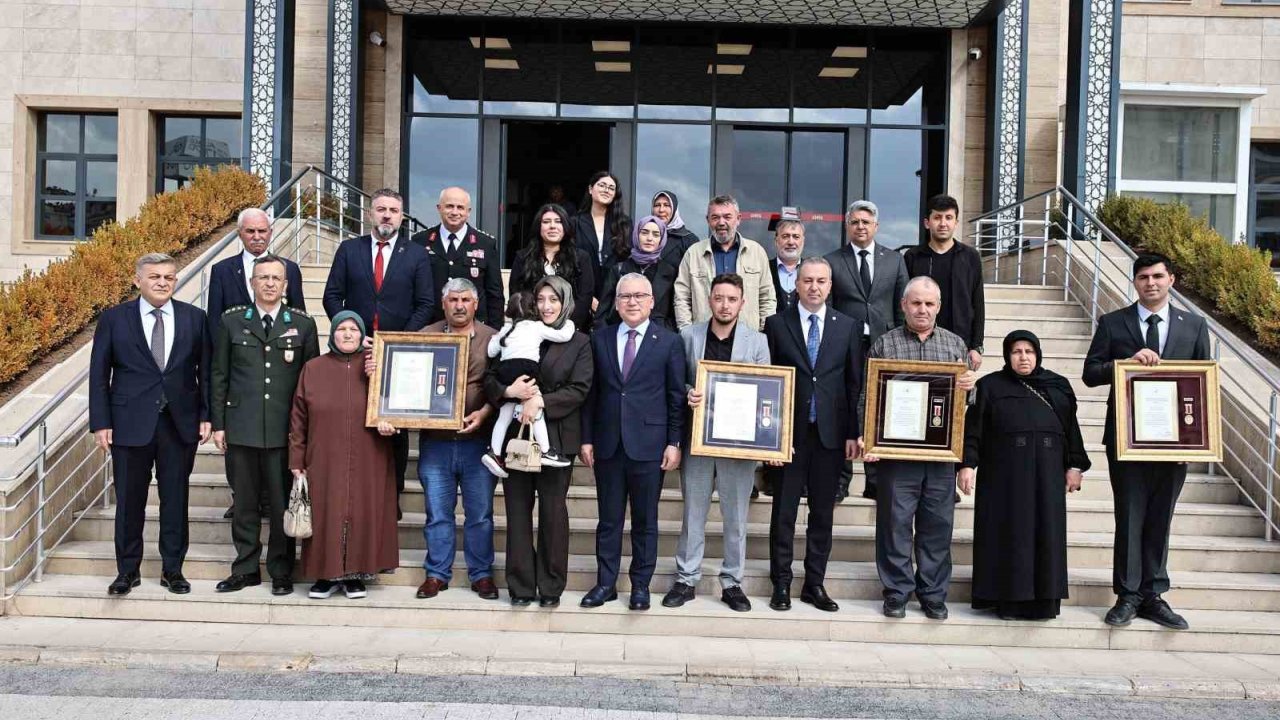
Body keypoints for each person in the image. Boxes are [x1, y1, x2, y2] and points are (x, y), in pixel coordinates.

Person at [1083, 252, 1210, 631]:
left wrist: (1197, 440)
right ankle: (1127, 594)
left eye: (1157, 276)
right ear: (1134, 282)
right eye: (1142, 277)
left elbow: (1201, 383)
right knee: (1130, 515)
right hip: (1126, 439)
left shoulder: (1194, 327)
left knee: (1160, 517)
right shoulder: (1113, 323)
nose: (1150, 283)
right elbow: (1090, 373)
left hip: (1175, 443)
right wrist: (1124, 364)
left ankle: (1154, 594)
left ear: (1172, 279)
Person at [89, 253, 212, 596]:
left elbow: (206, 372)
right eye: (155, 276)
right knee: (129, 502)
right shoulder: (115, 319)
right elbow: (99, 374)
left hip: (179, 424)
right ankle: (127, 571)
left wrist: (206, 414)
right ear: (138, 280)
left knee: (176, 500)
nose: (162, 282)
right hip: (128, 424)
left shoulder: (194, 318)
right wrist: (101, 422)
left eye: (169, 277)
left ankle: (172, 570)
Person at [861, 276, 977, 621]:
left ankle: (933, 594)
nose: (922, 309)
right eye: (916, 303)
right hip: (897, 455)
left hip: (940, 456)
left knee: (937, 526)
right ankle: (897, 592)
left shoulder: (955, 346)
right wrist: (869, 437)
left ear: (938, 307)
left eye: (929, 303)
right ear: (903, 306)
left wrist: (971, 386)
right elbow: (869, 396)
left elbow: (966, 404)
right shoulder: (885, 344)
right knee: (894, 524)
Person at [959, 330, 1089, 620]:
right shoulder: (990, 386)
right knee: (1007, 535)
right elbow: (974, 431)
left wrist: (1075, 466)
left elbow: (1071, 431)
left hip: (1048, 477)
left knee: (1045, 535)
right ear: (1007, 355)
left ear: (1038, 354)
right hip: (1003, 479)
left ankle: (1043, 603)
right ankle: (1006, 601)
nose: (1023, 357)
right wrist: (967, 465)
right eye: (1016, 351)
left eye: (1029, 351)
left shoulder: (1057, 386)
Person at [210, 254, 320, 596]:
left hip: (284, 432)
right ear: (251, 283)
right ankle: (245, 568)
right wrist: (219, 424)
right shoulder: (231, 322)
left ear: (286, 285)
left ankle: (281, 571)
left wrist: (307, 432)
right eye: (263, 278)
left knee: (280, 503)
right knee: (244, 504)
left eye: (276, 278)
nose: (270, 283)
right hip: (241, 427)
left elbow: (311, 383)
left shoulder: (302, 325)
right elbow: (219, 375)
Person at [322, 188, 434, 516]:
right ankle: (355, 494)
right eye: (381, 209)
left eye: (394, 210)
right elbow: (332, 296)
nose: (387, 215)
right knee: (356, 420)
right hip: (356, 352)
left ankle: (392, 497)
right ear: (371, 213)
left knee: (394, 427)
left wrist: (399, 339)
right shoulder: (348, 250)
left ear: (402, 216)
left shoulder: (416, 254)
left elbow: (425, 303)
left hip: (398, 354)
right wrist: (352, 333)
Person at [663, 273, 770, 613]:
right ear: (709, 300)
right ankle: (686, 578)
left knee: (735, 516)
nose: (725, 304)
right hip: (697, 439)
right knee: (693, 512)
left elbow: (767, 389)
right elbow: (674, 380)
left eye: (732, 299)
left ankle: (732, 582)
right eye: (719, 298)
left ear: (742, 302)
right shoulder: (688, 336)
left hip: (738, 446)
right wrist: (686, 393)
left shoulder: (757, 342)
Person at [580, 273, 686, 611]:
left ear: (652, 301)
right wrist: (586, 439)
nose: (632, 301)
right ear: (617, 300)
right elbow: (591, 395)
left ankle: (640, 586)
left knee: (645, 521)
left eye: (640, 295)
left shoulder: (669, 342)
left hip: (649, 446)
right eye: (625, 296)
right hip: (608, 444)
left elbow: (675, 397)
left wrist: (674, 441)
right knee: (609, 520)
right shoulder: (600, 339)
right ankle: (606, 583)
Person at [485, 276, 593, 607]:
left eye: (554, 300)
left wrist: (539, 401)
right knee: (517, 513)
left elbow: (580, 388)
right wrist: (507, 392)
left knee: (553, 514)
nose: (547, 306)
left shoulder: (579, 341)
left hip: (555, 439)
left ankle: (550, 587)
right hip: (515, 439)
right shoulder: (517, 331)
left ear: (566, 304)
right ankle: (520, 587)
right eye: (541, 299)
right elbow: (489, 376)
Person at [762, 258, 863, 613]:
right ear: (796, 285)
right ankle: (782, 584)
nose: (814, 287)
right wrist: (770, 436)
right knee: (784, 513)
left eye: (821, 281)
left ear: (830, 286)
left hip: (831, 436)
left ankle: (814, 583)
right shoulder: (776, 325)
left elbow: (854, 385)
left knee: (823, 513)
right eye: (807, 280)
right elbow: (768, 385)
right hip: (790, 435)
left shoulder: (849, 327)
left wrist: (854, 432)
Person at [289, 312, 399, 599]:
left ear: (362, 335)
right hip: (323, 454)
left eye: (353, 329)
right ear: (332, 335)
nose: (347, 334)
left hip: (369, 453)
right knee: (327, 511)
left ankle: (355, 575)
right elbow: (298, 418)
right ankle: (325, 575)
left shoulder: (376, 367)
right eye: (341, 329)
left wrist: (391, 423)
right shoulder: (313, 368)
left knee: (362, 510)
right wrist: (296, 459)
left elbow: (396, 404)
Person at [206, 207, 307, 518]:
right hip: (240, 370)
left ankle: (270, 499)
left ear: (271, 232)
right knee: (242, 457)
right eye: (250, 231)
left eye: (262, 231)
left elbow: (299, 318)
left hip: (277, 371)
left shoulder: (289, 268)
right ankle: (242, 499)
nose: (257, 236)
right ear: (240, 234)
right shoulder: (224, 270)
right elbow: (214, 323)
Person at [405, 279, 501, 602]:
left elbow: (502, 386)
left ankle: (481, 574)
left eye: (465, 300)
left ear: (475, 304)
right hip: (436, 442)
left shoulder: (493, 339)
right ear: (443, 304)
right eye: (453, 300)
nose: (459, 306)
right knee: (437, 511)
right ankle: (436, 574)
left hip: (479, 440)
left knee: (480, 512)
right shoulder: (425, 336)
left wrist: (485, 412)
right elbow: (405, 381)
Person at [826, 200, 909, 502]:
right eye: (855, 222)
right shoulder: (832, 260)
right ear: (847, 226)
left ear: (876, 226)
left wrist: (903, 341)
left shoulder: (894, 260)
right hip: (845, 346)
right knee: (847, 407)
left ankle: (875, 480)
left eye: (866, 222)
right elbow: (829, 306)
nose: (861, 226)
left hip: (884, 345)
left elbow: (903, 304)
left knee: (879, 409)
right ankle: (841, 480)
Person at [482, 291, 576, 476]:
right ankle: (546, 451)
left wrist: (499, 339)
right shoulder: (537, 327)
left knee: (504, 416)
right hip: (527, 370)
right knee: (536, 409)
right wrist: (570, 324)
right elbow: (563, 336)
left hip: (506, 372)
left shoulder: (506, 330)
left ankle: (494, 452)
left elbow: (491, 351)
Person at [903, 194, 985, 371]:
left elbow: (978, 303)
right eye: (937, 217)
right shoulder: (913, 257)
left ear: (956, 222)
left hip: (959, 342)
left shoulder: (970, 257)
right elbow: (904, 302)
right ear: (927, 223)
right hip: (919, 340)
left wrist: (976, 346)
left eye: (949, 218)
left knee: (954, 395)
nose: (943, 223)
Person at [674, 195, 776, 332]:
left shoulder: (757, 253)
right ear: (708, 220)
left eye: (727, 217)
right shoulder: (693, 254)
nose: (721, 222)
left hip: (747, 339)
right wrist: (687, 332)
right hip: (705, 340)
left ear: (738, 219)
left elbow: (767, 298)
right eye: (715, 217)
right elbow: (681, 297)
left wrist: (763, 334)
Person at [411, 186, 504, 329]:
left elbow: (494, 294)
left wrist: (495, 333)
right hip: (431, 327)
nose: (455, 212)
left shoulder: (485, 244)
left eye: (460, 207)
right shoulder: (420, 241)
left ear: (468, 212)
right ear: (439, 208)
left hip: (473, 328)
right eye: (449, 206)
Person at [509, 203, 594, 329]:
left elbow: (584, 298)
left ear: (565, 226)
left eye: (558, 221)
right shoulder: (522, 258)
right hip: (531, 330)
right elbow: (517, 295)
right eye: (546, 222)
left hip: (570, 330)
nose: (552, 226)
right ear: (538, 227)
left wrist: (565, 326)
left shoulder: (581, 258)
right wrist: (535, 326)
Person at [596, 215, 679, 331]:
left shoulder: (670, 272)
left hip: (657, 338)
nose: (649, 238)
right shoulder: (618, 269)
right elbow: (602, 313)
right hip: (620, 335)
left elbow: (674, 314)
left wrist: (666, 336)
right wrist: (605, 340)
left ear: (662, 239)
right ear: (636, 235)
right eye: (644, 233)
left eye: (656, 234)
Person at [572, 171, 631, 309]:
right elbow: (570, 261)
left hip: (615, 297)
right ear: (590, 189)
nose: (606, 190)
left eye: (611, 188)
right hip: (581, 295)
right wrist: (588, 298)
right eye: (602, 185)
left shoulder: (624, 224)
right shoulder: (575, 222)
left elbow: (627, 261)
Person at [651, 190, 699, 263]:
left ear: (674, 209)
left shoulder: (688, 240)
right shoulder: (644, 236)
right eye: (657, 205)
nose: (661, 210)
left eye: (666, 205)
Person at [770, 217, 804, 317]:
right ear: (776, 240)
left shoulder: (812, 270)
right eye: (785, 236)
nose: (791, 242)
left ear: (803, 241)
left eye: (796, 237)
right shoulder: (764, 269)